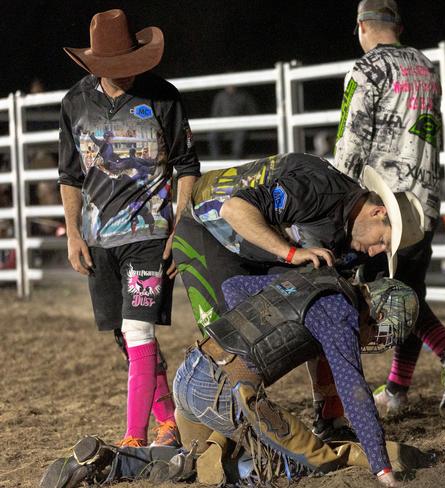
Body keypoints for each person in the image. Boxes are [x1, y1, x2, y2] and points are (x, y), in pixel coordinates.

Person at [39, 268, 435, 488]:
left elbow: (232, 287)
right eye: (381, 333)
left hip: (192, 373)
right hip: (226, 390)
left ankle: (106, 463)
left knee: (190, 456)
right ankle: (212, 465)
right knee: (301, 464)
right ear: (378, 314)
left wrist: (262, 332)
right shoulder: (341, 315)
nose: (374, 340)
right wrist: (383, 469)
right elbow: (355, 393)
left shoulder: (311, 280)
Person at [58, 9, 200, 448]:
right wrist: (75, 233)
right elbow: (70, 175)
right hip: (99, 238)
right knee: (125, 334)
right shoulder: (75, 103)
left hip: (150, 235)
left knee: (138, 331)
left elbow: (186, 167)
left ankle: (133, 437)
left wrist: (178, 229)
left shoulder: (164, 98)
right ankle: (169, 420)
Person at [333, 0, 445, 417]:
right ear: (397, 25)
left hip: (381, 207)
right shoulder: (427, 67)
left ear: (362, 26)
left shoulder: (366, 70)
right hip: (425, 196)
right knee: (410, 289)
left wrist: (337, 200)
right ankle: (400, 388)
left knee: (392, 295)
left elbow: (351, 141)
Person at [172, 152, 425, 331]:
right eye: (382, 241)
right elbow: (234, 209)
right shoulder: (318, 190)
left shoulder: (355, 238)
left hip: (258, 244)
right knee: (228, 331)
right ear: (377, 212)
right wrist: (291, 253)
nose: (376, 252)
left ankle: (325, 403)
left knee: (319, 303)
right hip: (203, 225)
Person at [209, 85, 258, 159]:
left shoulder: (244, 95)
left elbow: (252, 111)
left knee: (240, 135)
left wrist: (243, 121)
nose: (230, 86)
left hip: (238, 126)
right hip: (222, 126)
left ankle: (235, 160)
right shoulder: (220, 96)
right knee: (212, 135)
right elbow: (215, 113)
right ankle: (216, 160)